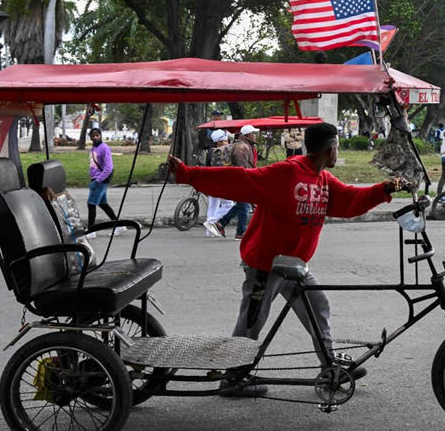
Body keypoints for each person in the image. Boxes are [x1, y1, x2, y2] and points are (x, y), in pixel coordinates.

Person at [167, 122, 402, 397]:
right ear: (330, 148)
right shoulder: (287, 172)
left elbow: (350, 200)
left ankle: (330, 367)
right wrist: (186, 173)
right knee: (251, 322)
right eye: (337, 146)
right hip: (265, 264)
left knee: (318, 307)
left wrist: (384, 189)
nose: (338, 151)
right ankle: (233, 378)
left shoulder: (324, 180)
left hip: (295, 265)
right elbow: (237, 180)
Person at [206, 125, 259, 239]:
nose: (255, 136)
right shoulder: (242, 147)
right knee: (243, 207)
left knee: (240, 206)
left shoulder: (245, 145)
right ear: (248, 135)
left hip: (237, 180)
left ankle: (221, 224)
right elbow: (242, 166)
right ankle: (240, 233)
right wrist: (250, 179)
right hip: (241, 180)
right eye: (253, 133)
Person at [86, 128, 125, 236]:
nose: (95, 137)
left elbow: (108, 167)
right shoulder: (94, 147)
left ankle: (91, 230)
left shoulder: (104, 148)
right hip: (96, 178)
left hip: (99, 180)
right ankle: (119, 225)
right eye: (93, 136)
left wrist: (98, 180)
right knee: (103, 204)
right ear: (90, 137)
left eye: (97, 135)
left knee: (91, 204)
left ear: (100, 135)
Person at [203, 129, 234, 237]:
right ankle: (211, 222)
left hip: (211, 181)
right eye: (225, 141)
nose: (227, 142)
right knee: (229, 204)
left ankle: (209, 232)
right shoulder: (221, 152)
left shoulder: (211, 151)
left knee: (213, 206)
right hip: (220, 182)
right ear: (219, 142)